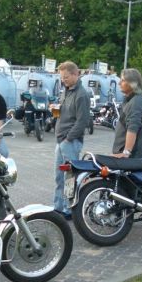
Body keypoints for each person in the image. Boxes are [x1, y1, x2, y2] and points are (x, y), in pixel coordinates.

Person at [53, 61, 90, 220]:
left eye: (66, 77)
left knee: (69, 178)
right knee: (59, 177)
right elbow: (63, 112)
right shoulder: (66, 91)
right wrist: (55, 110)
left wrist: (68, 138)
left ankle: (68, 210)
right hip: (61, 140)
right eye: (62, 78)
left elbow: (82, 121)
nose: (63, 80)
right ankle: (58, 208)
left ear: (75, 75)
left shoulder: (81, 95)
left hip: (70, 142)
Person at [112, 68, 142, 158]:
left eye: (123, 80)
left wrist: (126, 153)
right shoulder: (130, 99)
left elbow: (132, 128)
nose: (119, 83)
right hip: (123, 152)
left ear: (132, 84)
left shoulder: (136, 102)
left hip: (131, 157)